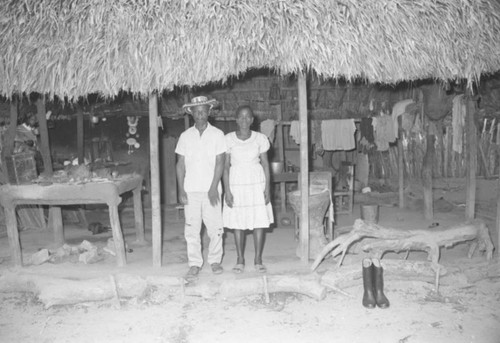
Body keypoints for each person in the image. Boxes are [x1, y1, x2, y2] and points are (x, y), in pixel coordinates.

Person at [175, 96, 226, 280]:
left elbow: (221, 162)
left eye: (203, 111)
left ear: (209, 111)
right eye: (196, 111)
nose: (200, 114)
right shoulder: (185, 136)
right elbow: (180, 164)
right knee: (192, 228)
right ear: (191, 113)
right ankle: (195, 263)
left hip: (212, 190)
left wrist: (213, 187)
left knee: (215, 228)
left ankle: (215, 260)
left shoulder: (218, 135)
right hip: (191, 190)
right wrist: (181, 189)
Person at [223, 105, 274, 273]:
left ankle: (258, 259)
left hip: (256, 181)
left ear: (252, 120)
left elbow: (266, 164)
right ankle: (240, 259)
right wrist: (227, 191)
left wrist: (267, 188)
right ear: (236, 119)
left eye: (248, 117)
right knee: (238, 221)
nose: (244, 120)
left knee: (259, 220)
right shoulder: (228, 139)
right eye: (241, 117)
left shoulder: (260, 138)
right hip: (236, 182)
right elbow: (225, 167)